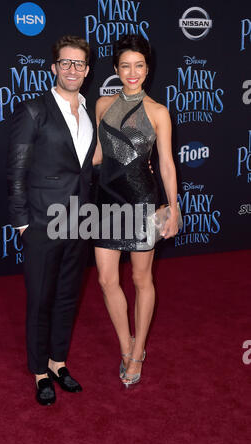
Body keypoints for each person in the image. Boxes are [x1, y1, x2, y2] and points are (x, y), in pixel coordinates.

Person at [7, 35, 96, 405]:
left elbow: (85, 166)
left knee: (66, 297)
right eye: (66, 63)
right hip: (43, 221)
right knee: (41, 299)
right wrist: (22, 223)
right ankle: (39, 371)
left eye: (79, 64)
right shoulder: (33, 110)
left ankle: (58, 363)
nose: (72, 69)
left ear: (87, 71)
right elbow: (16, 170)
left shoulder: (89, 112)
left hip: (80, 220)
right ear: (54, 67)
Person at [92, 35, 179, 387]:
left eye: (139, 65)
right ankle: (124, 343)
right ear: (115, 69)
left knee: (142, 279)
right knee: (105, 279)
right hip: (106, 200)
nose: (132, 72)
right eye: (125, 65)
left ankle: (138, 350)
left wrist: (173, 209)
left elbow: (167, 165)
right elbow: (97, 155)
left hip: (143, 202)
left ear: (147, 69)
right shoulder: (101, 105)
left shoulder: (158, 112)